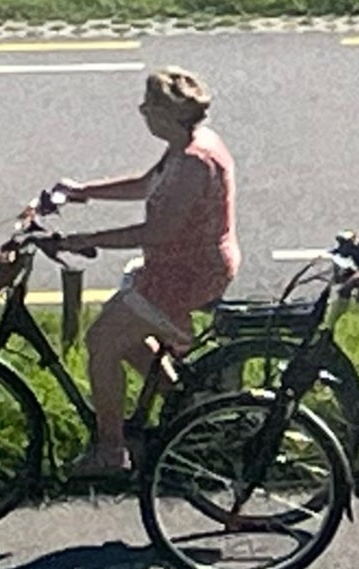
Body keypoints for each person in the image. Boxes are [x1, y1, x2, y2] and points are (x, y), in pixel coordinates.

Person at [42, 66, 237, 477]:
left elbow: (157, 232)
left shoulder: (193, 163)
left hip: (185, 274)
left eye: (147, 106)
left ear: (166, 115)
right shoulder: (190, 143)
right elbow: (146, 184)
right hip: (182, 265)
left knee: (101, 341)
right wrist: (82, 191)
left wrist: (84, 239)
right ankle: (186, 409)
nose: (141, 111)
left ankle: (111, 452)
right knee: (124, 336)